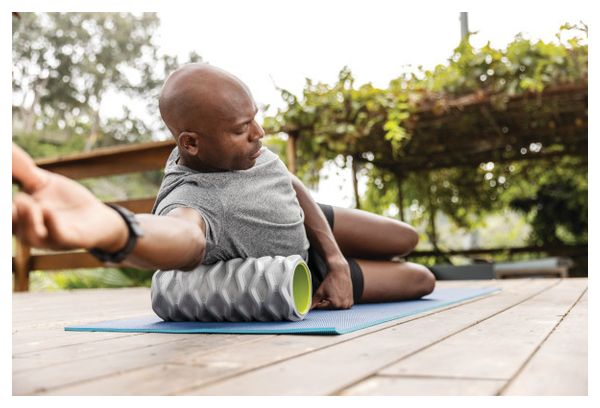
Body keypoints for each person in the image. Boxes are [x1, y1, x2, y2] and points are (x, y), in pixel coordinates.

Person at [12, 63, 435, 310]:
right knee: (420, 280)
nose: (260, 132)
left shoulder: (243, 147)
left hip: (312, 221)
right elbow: (183, 236)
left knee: (407, 237)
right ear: (191, 143)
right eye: (241, 128)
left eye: (255, 117)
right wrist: (116, 229)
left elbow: (285, 178)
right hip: (301, 264)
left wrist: (338, 257)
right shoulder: (191, 195)